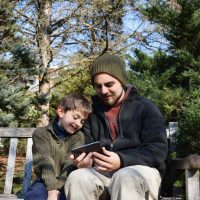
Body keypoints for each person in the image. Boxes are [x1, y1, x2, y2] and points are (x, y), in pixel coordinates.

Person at [64, 54, 168, 200]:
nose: (104, 91)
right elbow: (85, 146)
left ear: (121, 81)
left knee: (125, 177)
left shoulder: (145, 108)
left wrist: (122, 160)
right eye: (98, 86)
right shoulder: (91, 113)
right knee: (78, 177)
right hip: (102, 173)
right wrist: (82, 161)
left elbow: (158, 151)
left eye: (109, 84)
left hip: (140, 172)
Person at [25, 93, 92, 200]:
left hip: (67, 181)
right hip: (44, 180)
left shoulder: (78, 137)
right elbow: (45, 162)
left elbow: (69, 164)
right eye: (75, 117)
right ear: (61, 112)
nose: (78, 123)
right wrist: (52, 190)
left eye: (82, 121)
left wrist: (57, 189)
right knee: (37, 195)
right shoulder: (41, 134)